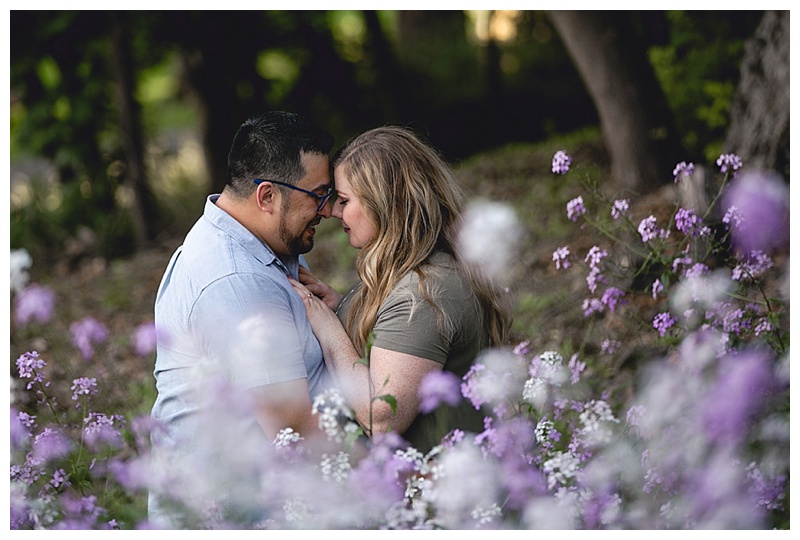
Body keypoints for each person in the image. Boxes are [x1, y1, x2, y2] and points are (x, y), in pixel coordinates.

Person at [148, 111, 335, 527]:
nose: (327, 210)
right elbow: (296, 433)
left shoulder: (258, 244)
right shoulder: (234, 281)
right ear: (266, 196)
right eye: (318, 195)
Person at [289, 126, 511, 454]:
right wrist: (346, 307)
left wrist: (330, 330)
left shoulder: (424, 293)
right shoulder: (420, 272)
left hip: (443, 495)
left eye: (345, 200)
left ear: (384, 203)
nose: (334, 211)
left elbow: (382, 417)